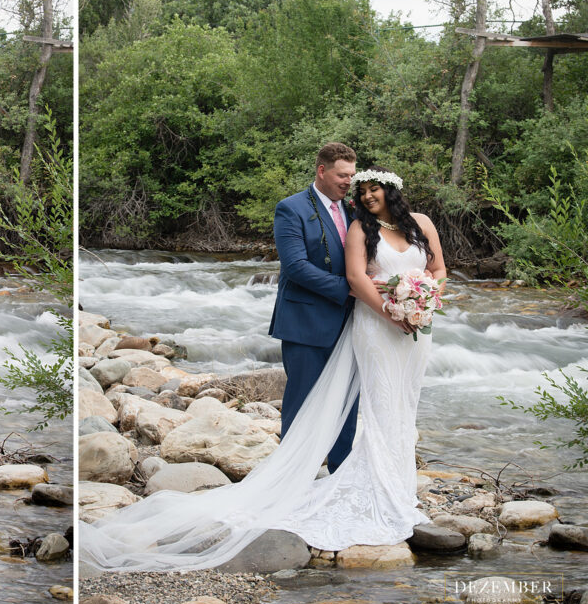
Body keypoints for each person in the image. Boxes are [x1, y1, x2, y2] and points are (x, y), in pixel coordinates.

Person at [80, 166, 447, 571]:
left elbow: (438, 271)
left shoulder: (417, 223)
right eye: (358, 187)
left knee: (402, 404)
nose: (362, 193)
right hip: (373, 324)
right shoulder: (346, 223)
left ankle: (395, 487)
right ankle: (335, 487)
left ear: (391, 190)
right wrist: (392, 310)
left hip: (414, 329)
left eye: (369, 187)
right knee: (370, 405)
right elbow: (336, 274)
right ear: (326, 173)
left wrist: (424, 300)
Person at [269, 142, 358, 473]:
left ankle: (339, 477)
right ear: (322, 171)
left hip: (350, 325)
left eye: (351, 174)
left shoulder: (352, 209)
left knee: (347, 405)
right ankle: (289, 479)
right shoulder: (290, 209)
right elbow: (295, 266)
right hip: (305, 323)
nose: (348, 181)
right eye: (341, 175)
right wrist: (352, 289)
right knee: (302, 405)